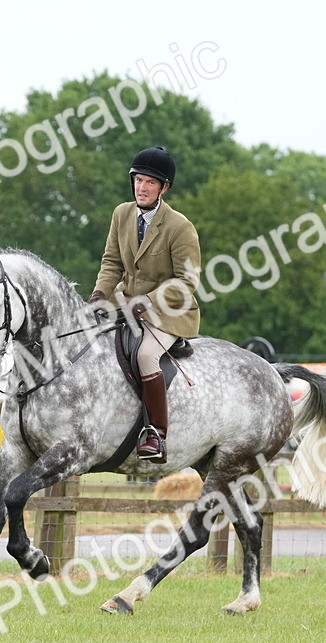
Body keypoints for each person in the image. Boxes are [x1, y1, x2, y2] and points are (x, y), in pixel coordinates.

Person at [87, 146, 201, 463]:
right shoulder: (121, 214)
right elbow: (111, 263)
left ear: (164, 187)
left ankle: (156, 434)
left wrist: (148, 302)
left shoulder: (180, 227)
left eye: (150, 182)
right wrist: (99, 294)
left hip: (169, 312)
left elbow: (187, 283)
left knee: (145, 354)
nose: (142, 187)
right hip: (124, 303)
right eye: (138, 179)